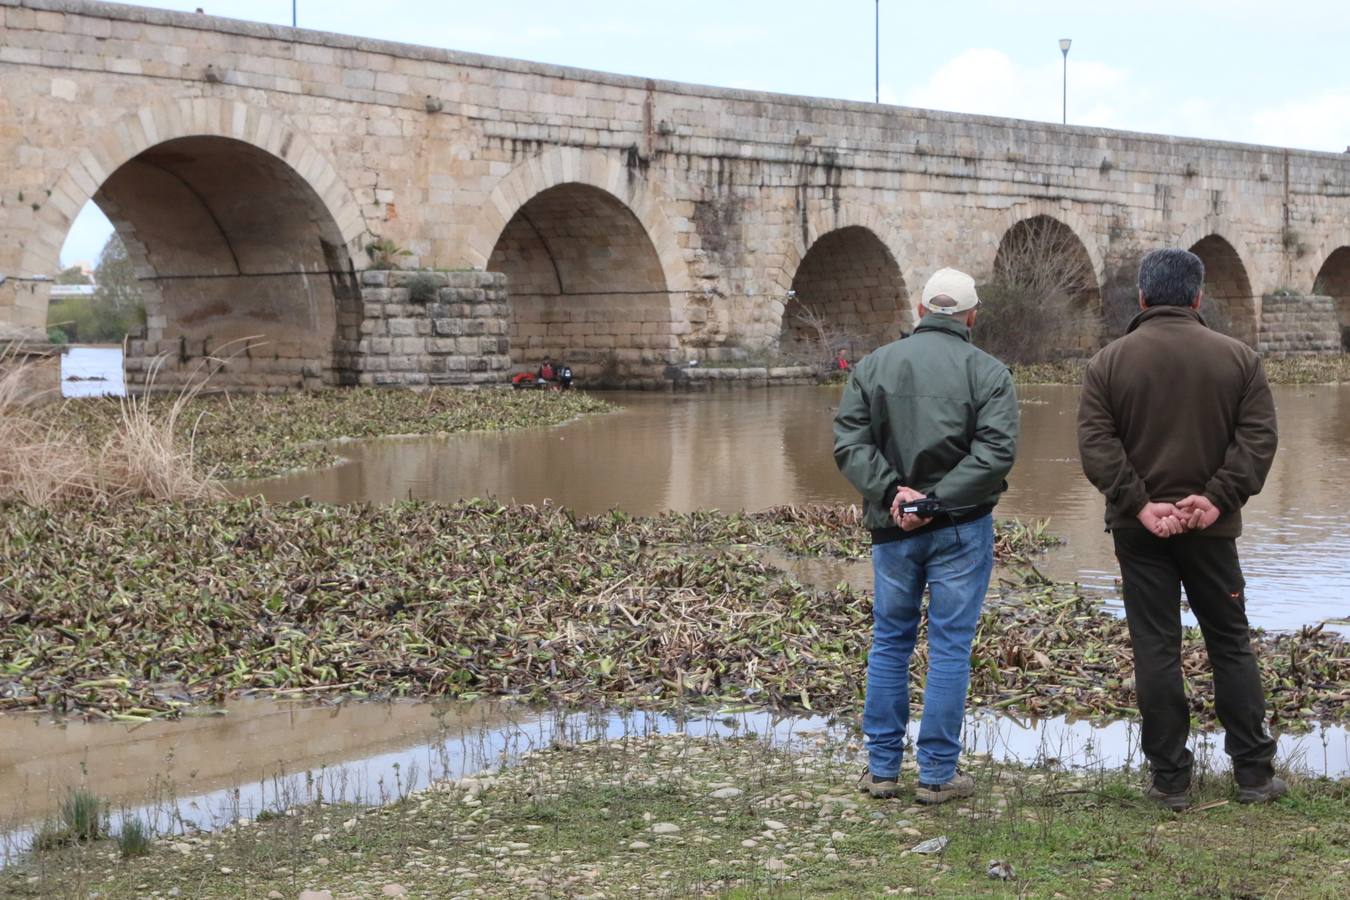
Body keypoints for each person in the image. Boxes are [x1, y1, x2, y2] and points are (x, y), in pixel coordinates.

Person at [1078, 247, 1283, 811]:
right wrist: (1217, 501)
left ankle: (1170, 781)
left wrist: (1140, 505)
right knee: (1230, 645)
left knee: (1155, 647)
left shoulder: (1108, 363)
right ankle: (1254, 776)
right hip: (1212, 532)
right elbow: (1258, 440)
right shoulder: (1240, 359)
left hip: (1139, 533)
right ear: (1197, 298)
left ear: (1142, 297)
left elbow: (1097, 446)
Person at [833, 267, 1019, 804]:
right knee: (950, 647)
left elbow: (849, 444)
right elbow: (995, 454)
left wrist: (897, 495)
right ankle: (937, 775)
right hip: (961, 526)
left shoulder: (873, 367)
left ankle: (882, 770)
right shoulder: (989, 372)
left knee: (890, 641)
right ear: (971, 316)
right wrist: (934, 502)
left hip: (892, 529)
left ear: (920, 312)